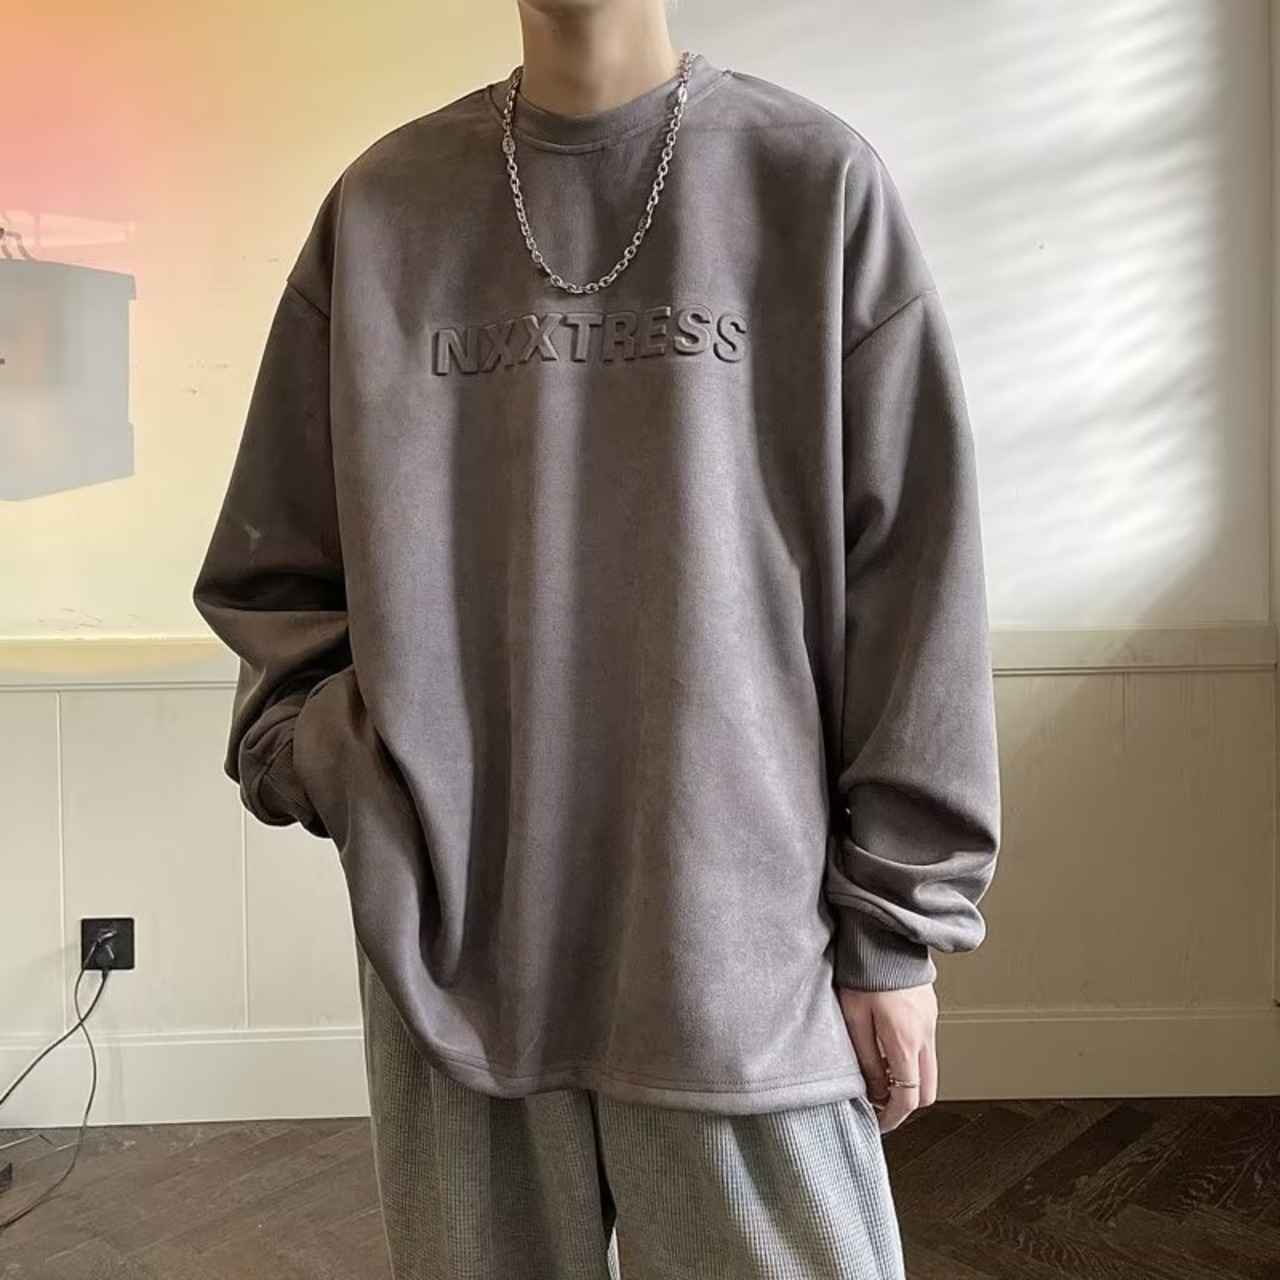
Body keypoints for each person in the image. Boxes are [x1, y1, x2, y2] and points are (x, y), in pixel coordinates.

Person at [193, 0, 1002, 1275]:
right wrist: (341, 768)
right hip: (454, 946)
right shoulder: (385, 206)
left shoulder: (810, 180)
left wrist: (896, 928)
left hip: (739, 947)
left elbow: (912, 578)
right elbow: (273, 565)